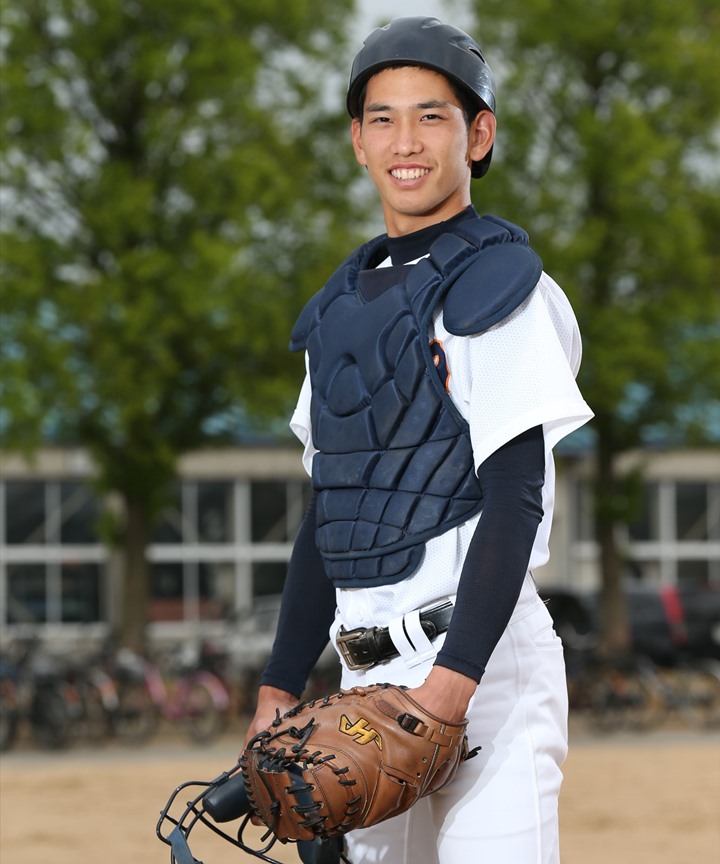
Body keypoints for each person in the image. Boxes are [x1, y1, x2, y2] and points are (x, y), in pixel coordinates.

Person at [244, 16, 593, 864]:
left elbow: (515, 500)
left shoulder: (501, 287)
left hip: (480, 665)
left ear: (479, 135)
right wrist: (278, 691)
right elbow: (332, 516)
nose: (406, 140)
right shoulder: (339, 311)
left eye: (432, 116)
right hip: (363, 678)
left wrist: (449, 691)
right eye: (383, 118)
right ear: (358, 142)